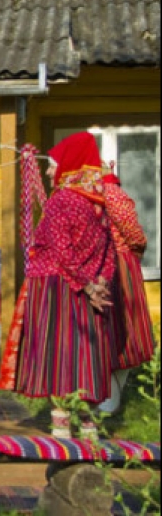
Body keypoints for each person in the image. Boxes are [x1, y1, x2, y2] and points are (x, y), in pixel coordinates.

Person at [10, 132, 117, 436]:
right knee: (86, 353)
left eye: (52, 163)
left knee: (59, 352)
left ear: (69, 164)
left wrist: (83, 285)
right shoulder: (98, 203)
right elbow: (108, 252)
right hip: (88, 291)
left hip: (56, 289)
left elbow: (61, 252)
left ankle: (60, 429)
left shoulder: (61, 201)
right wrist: (99, 284)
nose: (47, 170)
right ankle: (89, 428)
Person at [95, 169, 155, 413]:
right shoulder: (108, 193)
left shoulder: (109, 193)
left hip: (116, 264)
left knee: (122, 326)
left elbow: (133, 232)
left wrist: (133, 253)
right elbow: (133, 233)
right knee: (119, 327)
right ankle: (109, 397)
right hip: (114, 264)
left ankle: (111, 399)